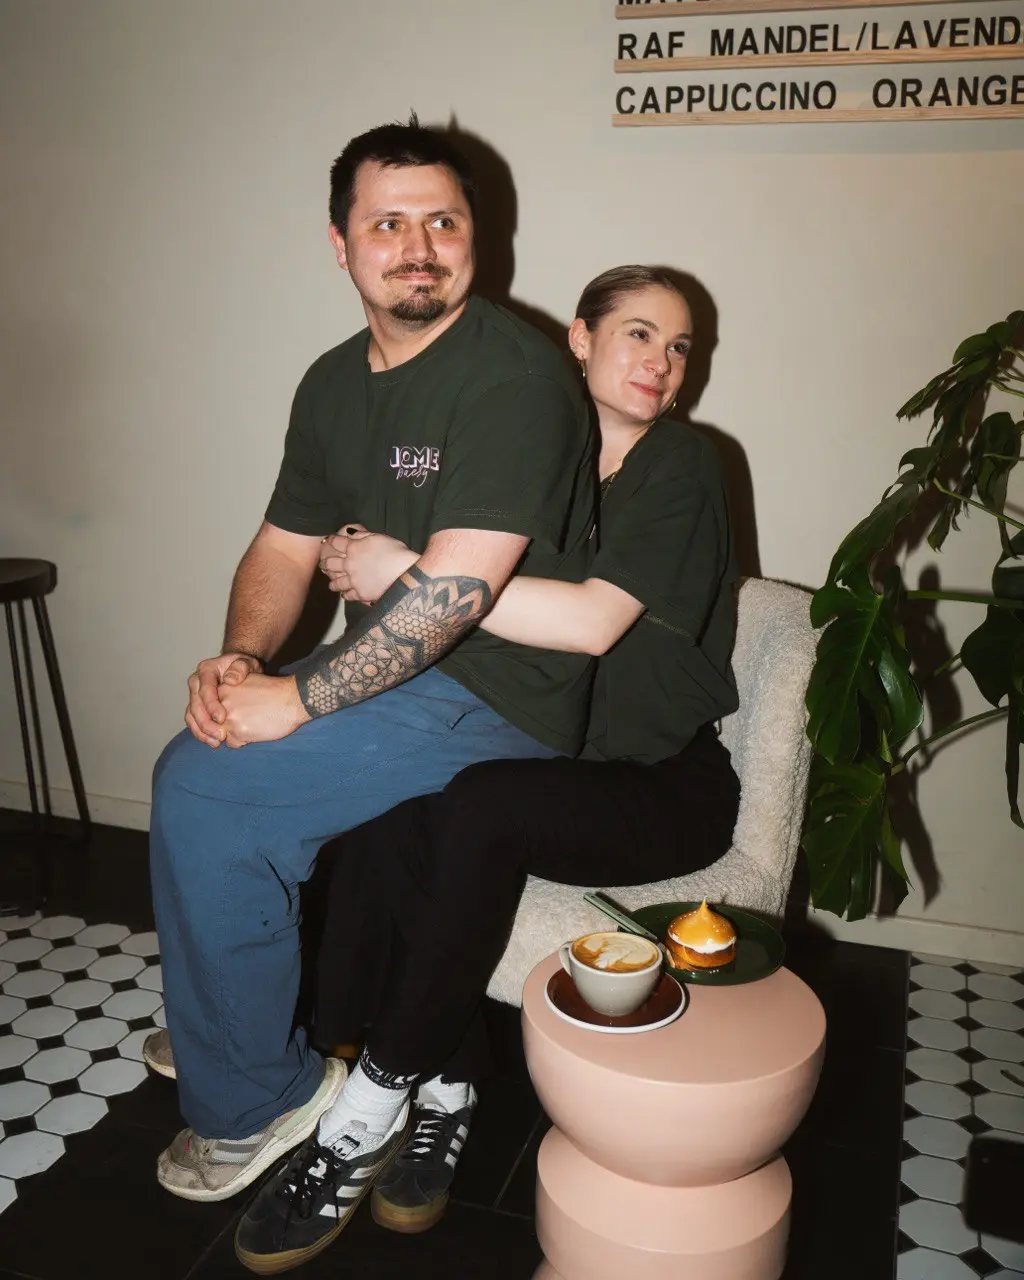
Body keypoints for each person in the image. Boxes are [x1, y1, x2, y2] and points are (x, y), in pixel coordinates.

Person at [231, 266, 741, 1274]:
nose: (662, 363)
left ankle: (367, 1109)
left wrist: (405, 576)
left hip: (660, 784)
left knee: (478, 810)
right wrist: (360, 561)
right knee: (394, 799)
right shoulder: (527, 461)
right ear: (578, 341)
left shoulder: (683, 463)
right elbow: (416, 587)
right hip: (539, 755)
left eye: (680, 347)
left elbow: (591, 622)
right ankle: (442, 1084)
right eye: (638, 334)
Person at [145, 116, 598, 1204]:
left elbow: (454, 596)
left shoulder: (514, 376)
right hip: (406, 668)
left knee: (202, 784)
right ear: (339, 244)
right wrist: (240, 656)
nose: (418, 245)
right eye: (386, 222)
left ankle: (253, 1099)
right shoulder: (331, 383)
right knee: (213, 733)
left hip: (502, 689)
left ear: (477, 238)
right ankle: (234, 1023)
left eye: (442, 220)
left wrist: (295, 696)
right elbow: (283, 543)